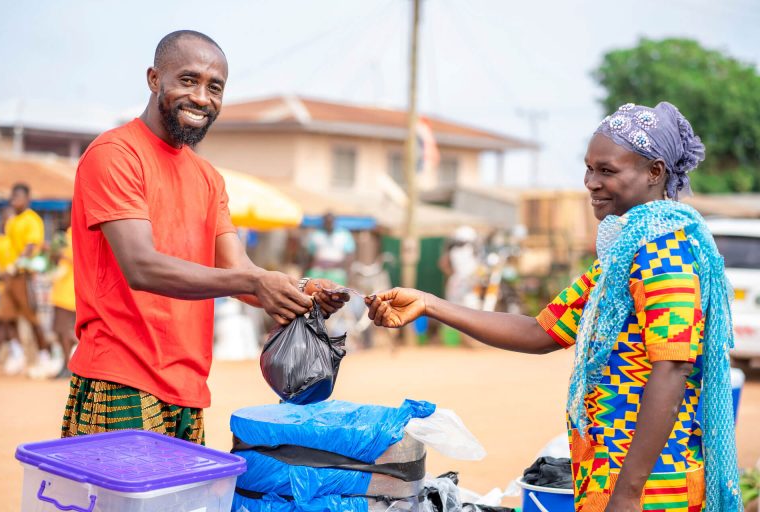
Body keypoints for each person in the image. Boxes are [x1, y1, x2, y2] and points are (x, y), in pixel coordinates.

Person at [367, 102, 742, 511]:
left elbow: (671, 368)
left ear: (654, 172)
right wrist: (430, 304)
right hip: (612, 472)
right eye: (589, 168)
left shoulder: (664, 253)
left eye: (607, 170)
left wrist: (628, 494)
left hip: (653, 488)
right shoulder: (624, 257)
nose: (590, 183)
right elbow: (542, 331)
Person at [62, 30, 347, 444]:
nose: (201, 97)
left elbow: (238, 269)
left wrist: (299, 290)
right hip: (120, 377)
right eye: (188, 80)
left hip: (189, 388)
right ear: (154, 78)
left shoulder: (208, 178)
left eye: (215, 88)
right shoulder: (115, 154)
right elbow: (142, 267)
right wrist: (253, 283)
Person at [0, 185, 53, 376]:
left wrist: (17, 263)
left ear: (28, 198)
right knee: (4, 315)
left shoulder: (32, 219)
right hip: (10, 277)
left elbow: (31, 245)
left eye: (18, 197)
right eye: (13, 197)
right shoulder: (13, 222)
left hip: (23, 274)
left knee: (32, 317)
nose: (14, 200)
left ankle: (46, 356)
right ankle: (15, 355)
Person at [0, 206, 23, 376]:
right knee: (5, 320)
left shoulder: (17, 242)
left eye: (10, 218)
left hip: (16, 287)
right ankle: (17, 354)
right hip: (1, 288)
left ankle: (0, 355)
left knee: (6, 320)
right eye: (5, 218)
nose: (7, 221)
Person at [47, 225, 77, 379]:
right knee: (59, 332)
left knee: (65, 331)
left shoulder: (77, 233)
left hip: (69, 293)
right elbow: (54, 260)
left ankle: (68, 365)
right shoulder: (65, 235)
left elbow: (77, 259)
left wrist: (60, 254)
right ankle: (66, 364)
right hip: (59, 292)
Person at [305, 212, 356, 286]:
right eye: (327, 221)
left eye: (330, 221)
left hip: (336, 272)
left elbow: (350, 255)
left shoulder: (343, 234)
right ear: (323, 221)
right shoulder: (316, 234)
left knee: (336, 294)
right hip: (317, 271)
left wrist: (348, 272)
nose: (329, 223)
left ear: (334, 221)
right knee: (314, 293)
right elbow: (309, 255)